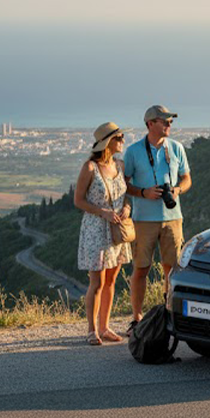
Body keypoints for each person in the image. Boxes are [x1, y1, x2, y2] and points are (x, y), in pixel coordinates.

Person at [123, 105, 192, 335]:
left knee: (171, 270)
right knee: (141, 268)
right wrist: (144, 193)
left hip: (173, 218)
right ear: (150, 124)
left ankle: (168, 315)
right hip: (143, 220)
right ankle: (136, 318)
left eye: (170, 121)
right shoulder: (133, 151)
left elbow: (187, 178)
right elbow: (123, 184)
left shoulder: (177, 148)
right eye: (165, 121)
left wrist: (177, 190)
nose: (169, 125)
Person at [74, 122, 132, 345]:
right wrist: (102, 212)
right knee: (96, 282)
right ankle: (92, 330)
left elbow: (126, 195)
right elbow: (78, 200)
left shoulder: (120, 165)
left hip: (116, 229)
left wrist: (127, 208)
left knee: (111, 280)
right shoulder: (90, 168)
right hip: (96, 230)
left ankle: (105, 327)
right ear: (108, 142)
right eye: (119, 137)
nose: (123, 140)